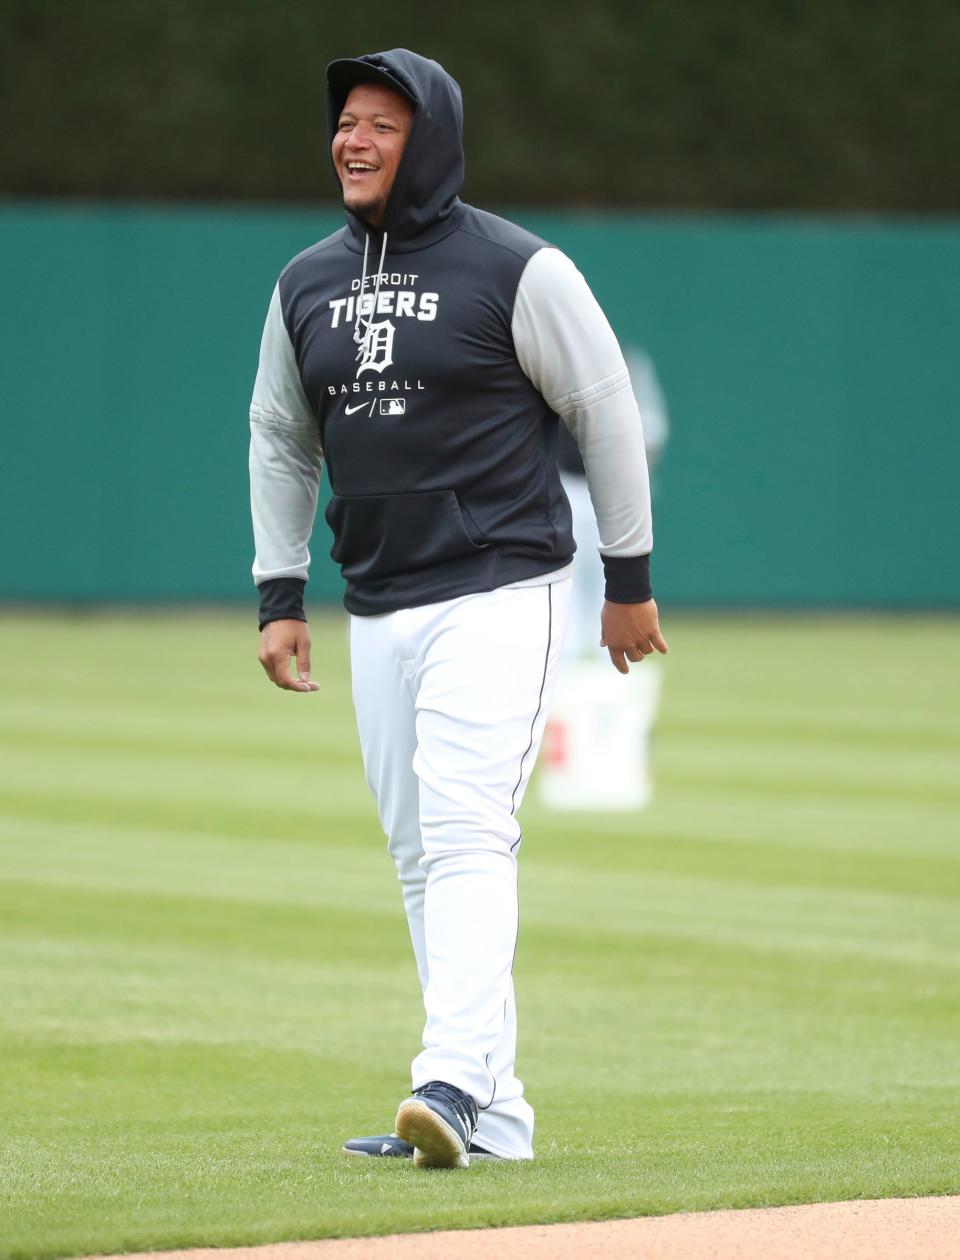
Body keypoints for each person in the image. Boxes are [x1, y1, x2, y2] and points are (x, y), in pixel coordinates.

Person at [249, 48, 667, 1170]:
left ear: (428, 136)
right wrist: (278, 590)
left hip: (500, 581)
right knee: (418, 853)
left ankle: (449, 1080)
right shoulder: (305, 283)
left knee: (469, 825)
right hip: (377, 595)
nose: (355, 138)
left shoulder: (517, 268)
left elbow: (607, 412)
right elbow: (282, 438)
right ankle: (500, 1110)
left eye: (383, 122)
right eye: (345, 119)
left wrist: (626, 579)